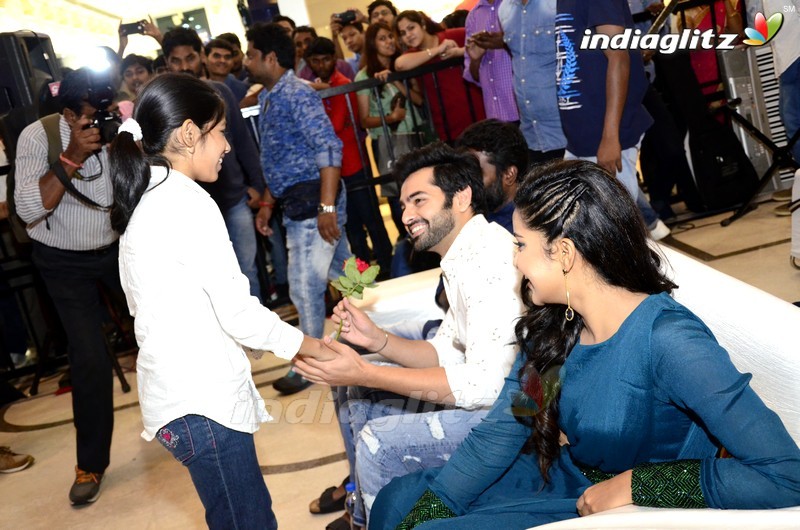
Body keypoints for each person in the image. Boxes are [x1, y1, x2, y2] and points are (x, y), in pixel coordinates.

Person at [370, 159, 800, 529]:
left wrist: (635, 485)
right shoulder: (559, 327)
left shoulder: (669, 340)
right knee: (400, 502)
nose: (514, 259)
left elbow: (786, 473)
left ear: (565, 254)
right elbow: (510, 422)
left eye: (521, 245)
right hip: (569, 477)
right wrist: (432, 507)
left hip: (632, 507)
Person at [108, 73, 334, 529]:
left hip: (181, 401)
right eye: (221, 132)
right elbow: (239, 313)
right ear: (190, 134)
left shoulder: (147, 198)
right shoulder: (184, 201)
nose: (228, 146)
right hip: (201, 402)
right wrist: (312, 345)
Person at [295, 142, 524, 528]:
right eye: (402, 205)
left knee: (377, 443)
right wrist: (377, 341)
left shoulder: (490, 260)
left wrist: (365, 371)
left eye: (419, 200)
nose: (407, 215)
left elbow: (483, 387)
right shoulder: (462, 256)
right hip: (498, 395)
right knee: (356, 392)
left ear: (462, 197)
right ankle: (366, 512)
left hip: (521, 412)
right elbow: (445, 353)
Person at [13, 67, 123, 506]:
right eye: (90, 117)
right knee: (90, 359)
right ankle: (90, 463)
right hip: (62, 260)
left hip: (116, 249)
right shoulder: (37, 138)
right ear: (66, 114)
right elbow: (27, 208)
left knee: (163, 329)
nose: (99, 123)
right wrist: (73, 156)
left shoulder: (117, 126)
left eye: (105, 113)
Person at [244, 22, 353, 395]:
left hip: (313, 202)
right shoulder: (270, 96)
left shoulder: (296, 94)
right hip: (298, 202)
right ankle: (364, 340)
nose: (246, 61)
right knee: (346, 277)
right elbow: (275, 157)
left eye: (250, 54)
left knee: (306, 288)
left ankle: (310, 365)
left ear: (270, 58)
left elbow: (329, 148)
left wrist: (326, 206)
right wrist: (267, 204)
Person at [161, 27, 269, 301]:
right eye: (176, 60)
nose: (185, 66)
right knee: (205, 281)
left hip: (234, 200)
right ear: (167, 63)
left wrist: (257, 185)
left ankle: (255, 342)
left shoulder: (220, 92)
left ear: (201, 58)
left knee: (246, 273)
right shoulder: (165, 104)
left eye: (190, 58)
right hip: (189, 208)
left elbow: (243, 143)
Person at [555, 0, 670, 240]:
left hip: (604, 133)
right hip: (581, 135)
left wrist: (610, 135)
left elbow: (619, 58)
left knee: (619, 240)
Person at [307, 37, 393, 274]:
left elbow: (331, 127)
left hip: (353, 163)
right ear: (309, 62)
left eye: (326, 59)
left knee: (372, 221)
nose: (321, 65)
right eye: (316, 61)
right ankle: (363, 275)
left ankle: (388, 269)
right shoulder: (315, 87)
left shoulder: (343, 84)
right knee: (352, 227)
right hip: (333, 171)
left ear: (334, 59)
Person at [355, 21, 424, 237]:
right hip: (386, 141)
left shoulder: (403, 66)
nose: (389, 42)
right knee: (396, 193)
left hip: (414, 136)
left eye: (391, 36)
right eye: (382, 38)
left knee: (421, 188)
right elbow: (364, 120)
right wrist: (391, 117)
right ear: (372, 44)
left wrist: (396, 81)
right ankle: (406, 239)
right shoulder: (364, 76)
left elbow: (419, 101)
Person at [394, 10, 486, 142]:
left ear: (423, 25)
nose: (408, 35)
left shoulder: (453, 35)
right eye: (403, 33)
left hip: (478, 114)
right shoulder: (413, 54)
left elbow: (482, 41)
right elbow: (400, 64)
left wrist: (459, 52)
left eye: (411, 28)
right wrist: (438, 50)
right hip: (448, 126)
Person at [497, 0, 567, 163]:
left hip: (566, 128)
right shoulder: (505, 9)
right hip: (531, 133)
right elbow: (521, 62)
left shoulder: (557, 4)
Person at [455, 118, 528, 233]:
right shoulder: (468, 219)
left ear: (509, 174)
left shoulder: (528, 228)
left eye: (477, 173)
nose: (467, 183)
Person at [463, 0, 519, 124]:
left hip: (524, 109)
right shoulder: (473, 16)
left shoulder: (516, 4)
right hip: (495, 116)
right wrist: (475, 60)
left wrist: (505, 42)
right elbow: (473, 76)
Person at [204, 38, 250, 102]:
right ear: (205, 59)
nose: (222, 61)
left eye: (227, 57)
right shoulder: (201, 87)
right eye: (217, 56)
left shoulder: (241, 89)